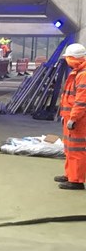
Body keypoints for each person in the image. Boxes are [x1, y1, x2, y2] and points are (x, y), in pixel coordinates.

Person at [55, 43, 86, 190]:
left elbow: (81, 100)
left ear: (74, 58)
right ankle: (70, 175)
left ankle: (76, 180)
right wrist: (66, 115)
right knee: (68, 148)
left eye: (68, 57)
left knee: (76, 150)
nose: (66, 60)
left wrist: (73, 118)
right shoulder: (77, 72)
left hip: (79, 120)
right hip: (70, 117)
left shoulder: (83, 75)